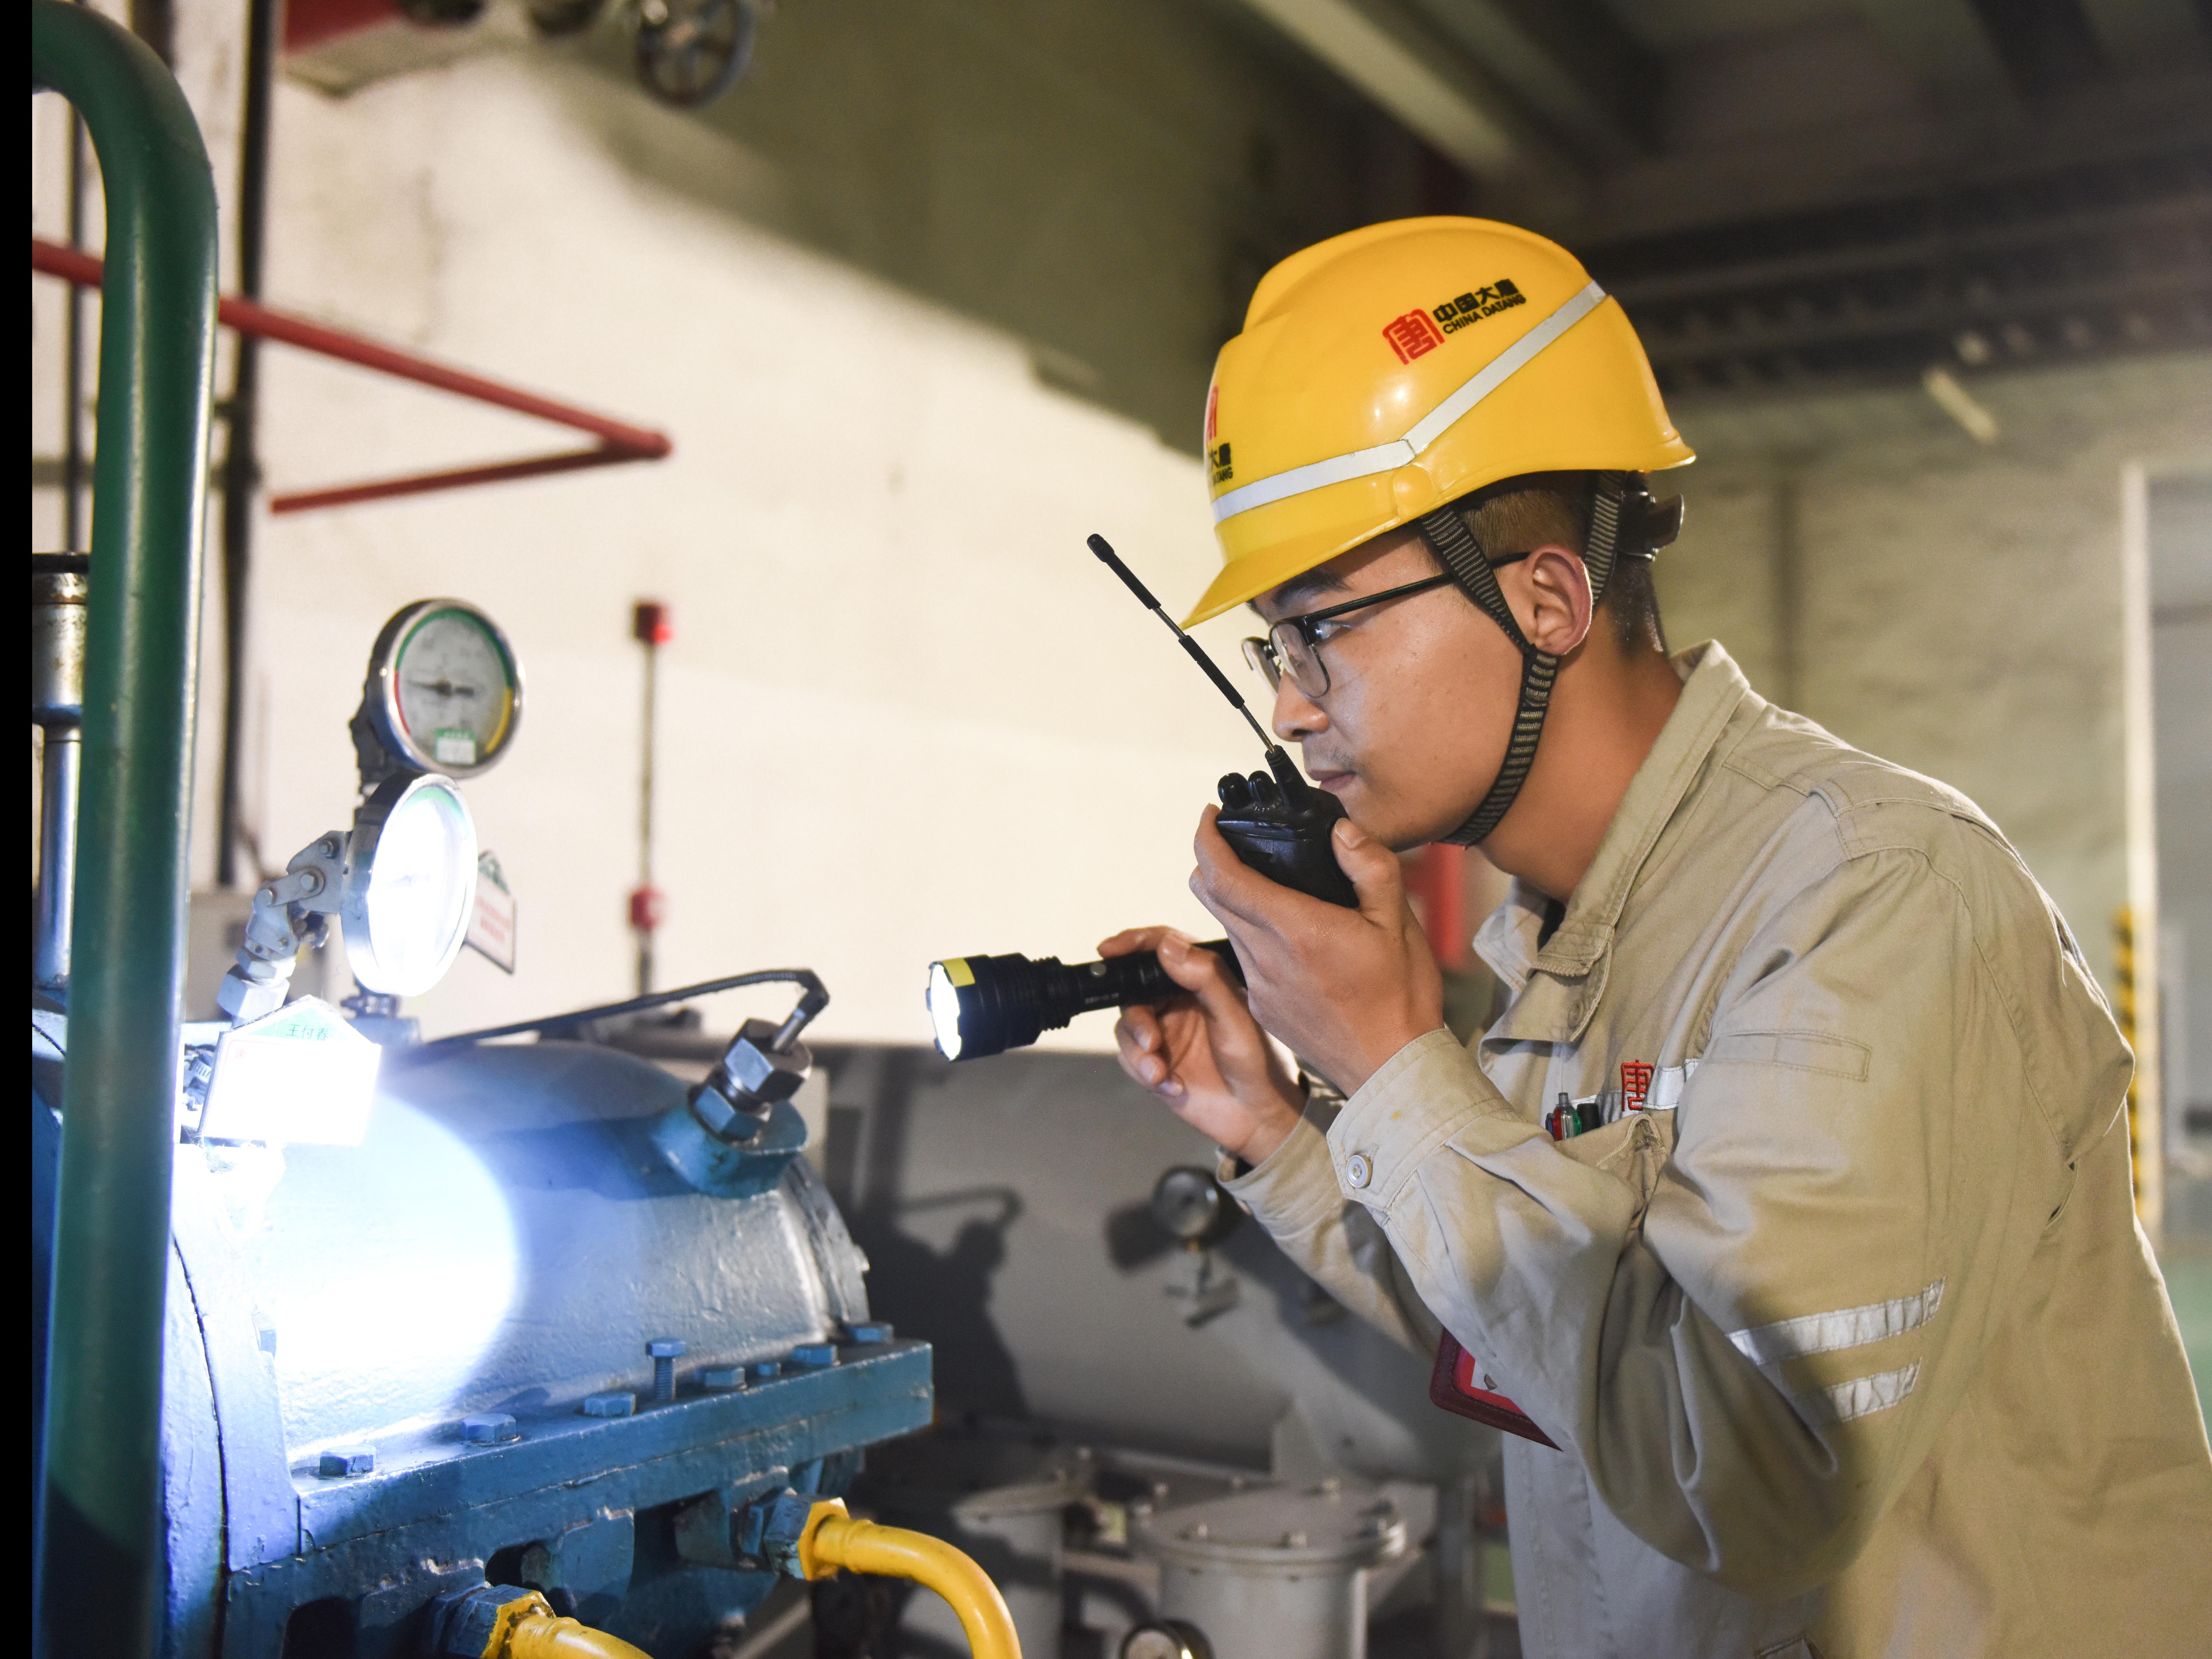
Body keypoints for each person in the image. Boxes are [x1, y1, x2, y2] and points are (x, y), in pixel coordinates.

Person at [1102, 217, 2212, 1658]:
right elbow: (1539, 1343)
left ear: (1546, 598)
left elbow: (1759, 1473)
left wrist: (1390, 1064)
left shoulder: (1867, 897)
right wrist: (1282, 1131)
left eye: (1326, 626)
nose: (1292, 705)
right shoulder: (1562, 953)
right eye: (1275, 644)